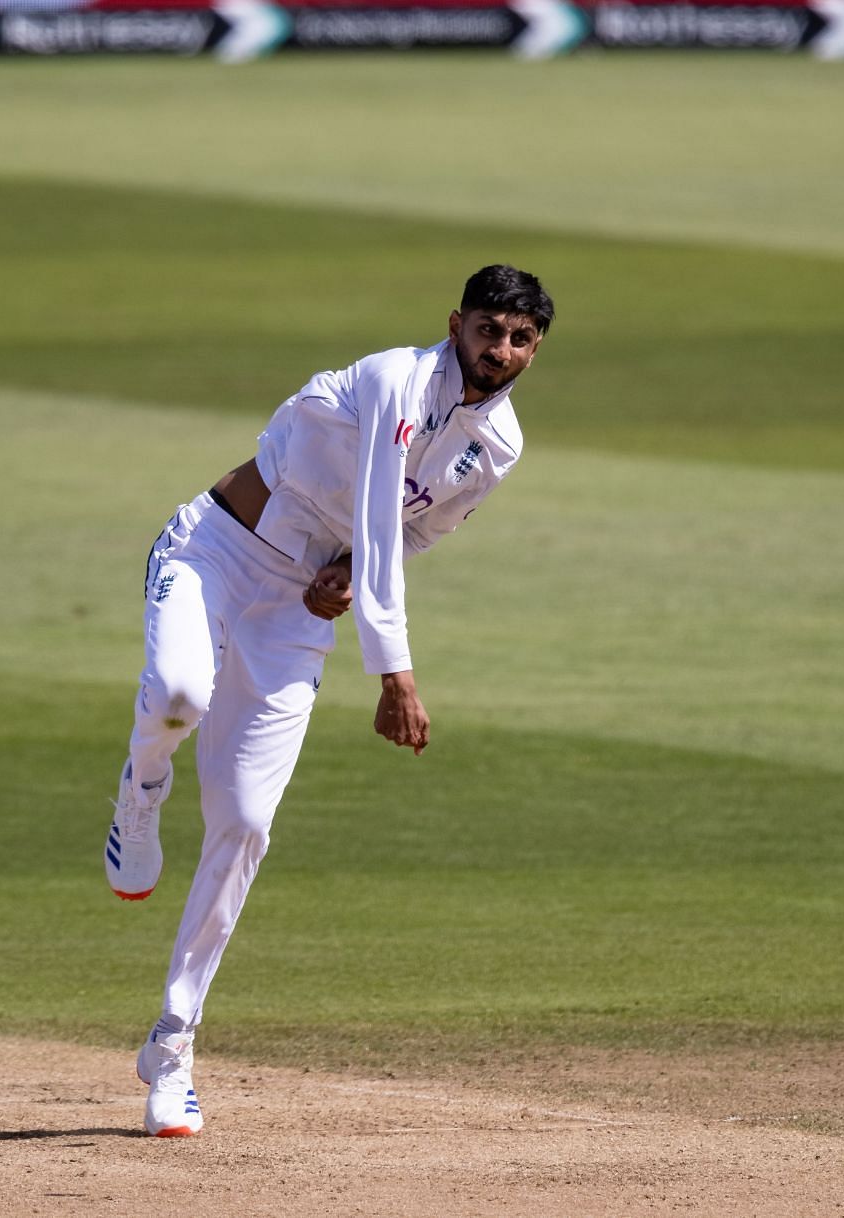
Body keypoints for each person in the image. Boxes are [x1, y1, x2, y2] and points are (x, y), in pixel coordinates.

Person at [102, 264, 554, 1137]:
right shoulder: (395, 378)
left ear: (535, 349)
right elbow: (383, 509)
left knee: (246, 824)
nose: (500, 351)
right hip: (218, 551)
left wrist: (344, 576)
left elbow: (413, 531)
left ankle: (172, 1044)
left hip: (298, 606)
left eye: (521, 339)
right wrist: (396, 673)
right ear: (456, 323)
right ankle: (141, 785)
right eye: (489, 330)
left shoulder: (498, 447)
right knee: (178, 695)